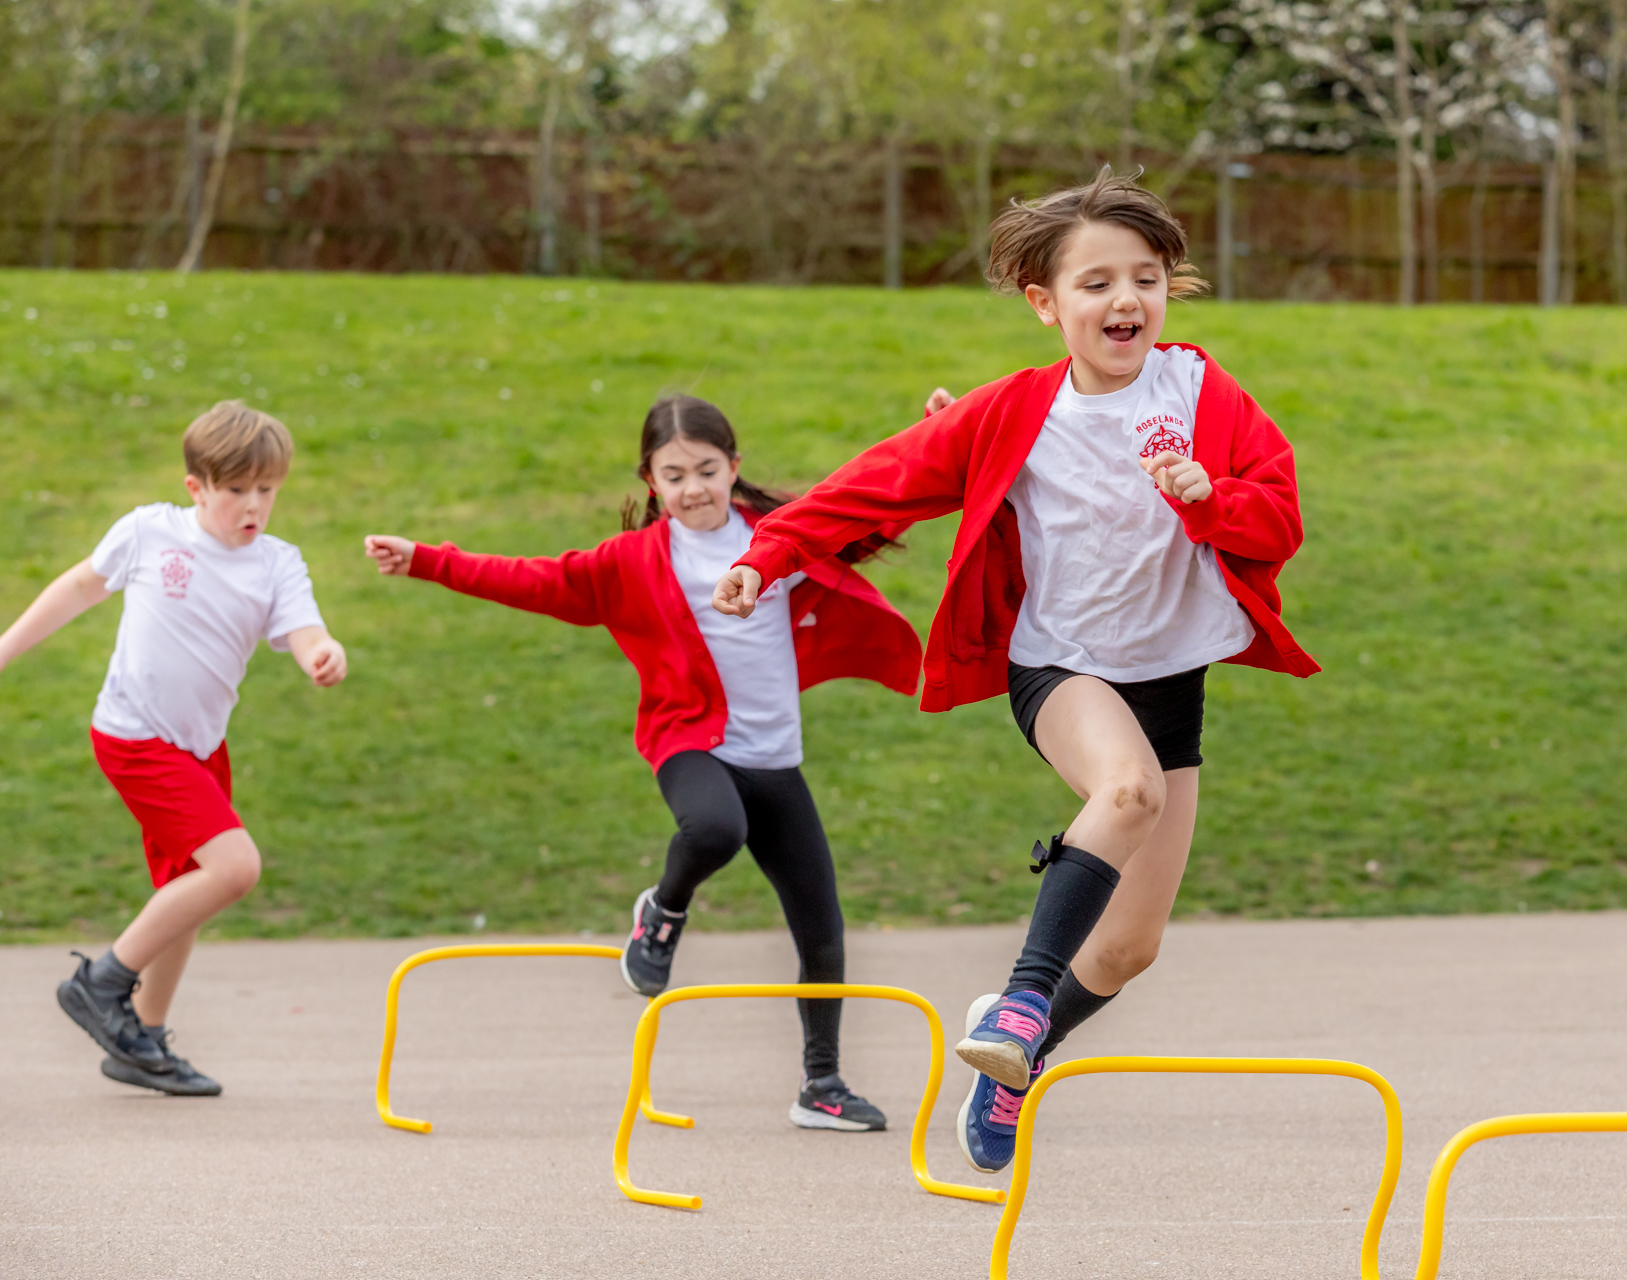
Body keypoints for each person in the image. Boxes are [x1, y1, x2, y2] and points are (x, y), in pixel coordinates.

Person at [712, 169, 1317, 1172]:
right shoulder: (1011, 414)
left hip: (1172, 683)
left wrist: (1211, 498)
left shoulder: (1205, 393)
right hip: (1061, 666)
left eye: (1146, 278)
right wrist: (761, 553)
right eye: (1096, 283)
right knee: (1122, 790)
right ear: (1045, 303)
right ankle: (1025, 997)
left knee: (1129, 949)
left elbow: (1280, 519)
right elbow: (880, 482)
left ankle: (1009, 1061)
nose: (1126, 300)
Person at [364, 394, 921, 1133]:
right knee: (714, 828)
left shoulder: (777, 539)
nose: (694, 488)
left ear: (735, 468)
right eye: (675, 474)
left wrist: (926, 429)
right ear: (650, 481)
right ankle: (661, 913)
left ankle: (821, 1085)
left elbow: (873, 513)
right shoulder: (633, 562)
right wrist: (428, 561)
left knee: (822, 928)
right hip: (689, 742)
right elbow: (534, 579)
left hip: (775, 757)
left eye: (707, 470)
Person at [0, 401, 348, 1097]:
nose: (254, 506)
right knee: (236, 867)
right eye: (237, 491)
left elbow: (305, 627)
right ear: (197, 486)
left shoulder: (277, 564)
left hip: (199, 746)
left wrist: (322, 653)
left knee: (188, 886)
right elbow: (76, 588)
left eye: (267, 491)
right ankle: (102, 985)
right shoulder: (150, 533)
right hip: (135, 736)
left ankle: (142, 1039)